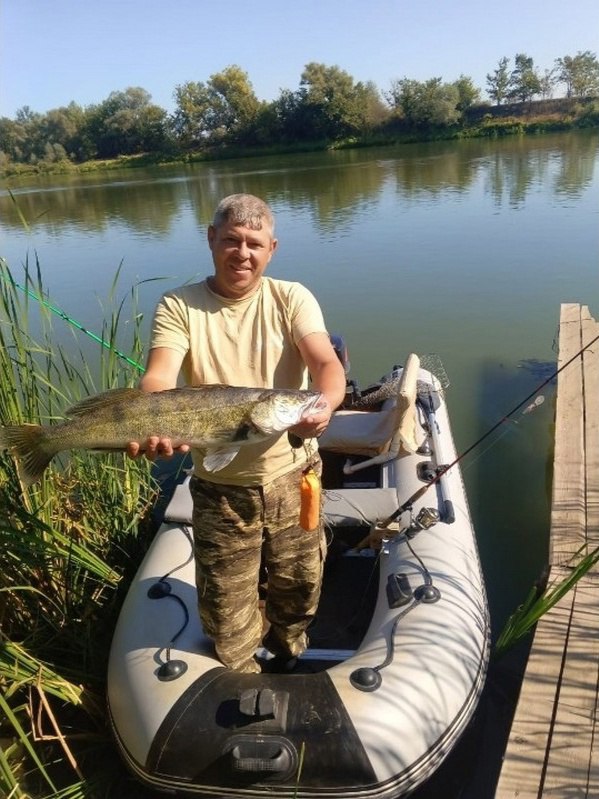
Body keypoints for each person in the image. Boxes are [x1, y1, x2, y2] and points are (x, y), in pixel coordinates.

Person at [127, 193, 347, 674]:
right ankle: (242, 676)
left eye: (253, 243)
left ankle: (289, 652)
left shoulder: (291, 297)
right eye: (231, 240)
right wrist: (155, 420)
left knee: (301, 588)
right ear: (211, 240)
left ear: (272, 248)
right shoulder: (179, 304)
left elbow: (326, 364)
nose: (242, 253)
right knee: (226, 615)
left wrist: (325, 405)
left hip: (294, 479)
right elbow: (159, 378)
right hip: (221, 492)